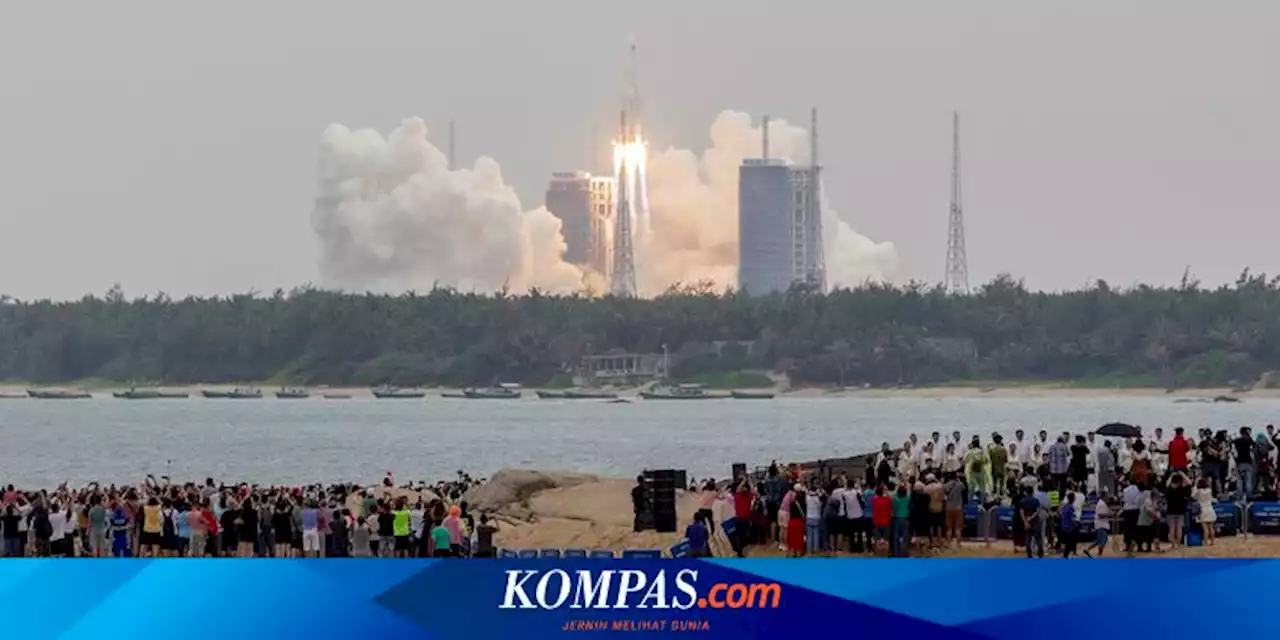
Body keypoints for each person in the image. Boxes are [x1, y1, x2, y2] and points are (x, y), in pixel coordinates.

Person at [1166, 471, 1191, 549]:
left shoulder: (1169, 489)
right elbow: (1189, 483)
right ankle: (1179, 544)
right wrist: (1183, 474)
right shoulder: (1182, 489)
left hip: (1170, 510)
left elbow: (1167, 484)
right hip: (1180, 510)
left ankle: (1173, 545)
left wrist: (1171, 475)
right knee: (1179, 528)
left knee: (1172, 528)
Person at [1018, 487, 1044, 558]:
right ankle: (1039, 553)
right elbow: (1038, 511)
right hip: (1035, 522)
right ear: (1032, 492)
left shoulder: (1022, 501)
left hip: (1027, 523)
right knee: (1038, 538)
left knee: (1028, 538)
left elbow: (1021, 512)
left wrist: (1025, 521)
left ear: (1026, 492)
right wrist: (1031, 517)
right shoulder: (1036, 500)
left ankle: (1029, 554)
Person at [1193, 477, 1216, 546]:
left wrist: (1195, 485)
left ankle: (1205, 542)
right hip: (1210, 509)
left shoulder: (1198, 491)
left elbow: (1193, 496)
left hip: (1202, 510)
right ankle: (1212, 542)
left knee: (1205, 529)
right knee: (1211, 528)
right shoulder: (1209, 490)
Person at [889, 484, 911, 558]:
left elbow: (894, 495)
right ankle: (903, 553)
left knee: (895, 538)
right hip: (905, 519)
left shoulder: (894, 498)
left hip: (896, 519)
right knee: (904, 538)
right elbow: (908, 493)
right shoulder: (907, 498)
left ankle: (895, 554)